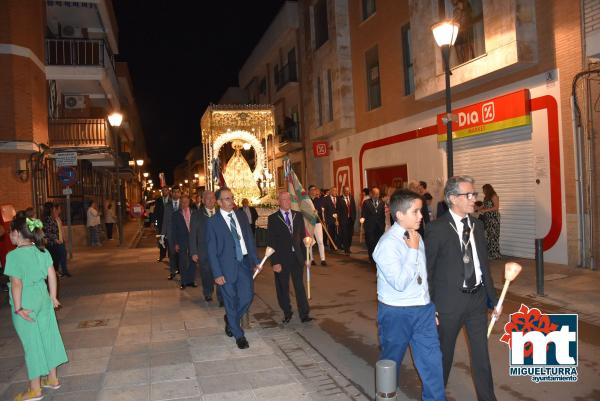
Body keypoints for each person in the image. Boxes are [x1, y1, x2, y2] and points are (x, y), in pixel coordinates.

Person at [425, 175, 500, 401]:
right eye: (468, 195)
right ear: (452, 198)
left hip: (476, 300)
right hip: (448, 303)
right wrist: (430, 305)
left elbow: (483, 265)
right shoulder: (436, 229)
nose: (473, 198)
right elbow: (427, 270)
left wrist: (492, 300)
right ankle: (435, 397)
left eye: (474, 194)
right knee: (444, 356)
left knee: (481, 357)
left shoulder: (476, 225)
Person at [374, 190, 444, 401]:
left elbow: (423, 277)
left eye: (420, 211)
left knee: (432, 362)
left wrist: (430, 307)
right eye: (415, 211)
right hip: (396, 312)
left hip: (422, 311)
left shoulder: (416, 236)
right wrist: (412, 251)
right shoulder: (387, 244)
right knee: (391, 363)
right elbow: (400, 283)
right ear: (399, 215)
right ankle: (385, 397)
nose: (421, 215)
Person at [4, 212, 68, 400]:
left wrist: (18, 308)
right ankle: (53, 378)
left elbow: (17, 284)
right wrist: (53, 297)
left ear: (16, 233)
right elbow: (52, 275)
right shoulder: (42, 251)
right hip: (43, 298)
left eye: (10, 232)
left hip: (26, 302)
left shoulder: (13, 256)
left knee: (32, 344)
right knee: (49, 337)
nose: (9, 236)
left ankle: (35, 389)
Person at [206, 188, 260, 349]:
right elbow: (211, 250)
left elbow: (249, 239)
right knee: (230, 301)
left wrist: (255, 259)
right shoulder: (212, 222)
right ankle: (239, 335)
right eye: (227, 199)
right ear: (219, 202)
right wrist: (217, 273)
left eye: (231, 198)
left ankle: (230, 320)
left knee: (247, 296)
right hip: (225, 268)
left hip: (243, 264)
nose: (231, 201)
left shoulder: (241, 216)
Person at [267, 191, 313, 324]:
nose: (287, 201)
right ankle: (287, 312)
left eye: (288, 199)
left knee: (299, 286)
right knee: (283, 287)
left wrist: (306, 257)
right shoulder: (273, 218)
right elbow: (271, 241)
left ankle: (304, 314)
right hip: (281, 259)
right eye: (284, 199)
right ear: (279, 201)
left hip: (297, 257)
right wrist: (275, 262)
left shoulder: (297, 215)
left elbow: (304, 237)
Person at [190, 190, 222, 305]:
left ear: (216, 200)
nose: (210, 200)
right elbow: (193, 234)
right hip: (204, 251)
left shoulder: (221, 213)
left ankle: (221, 296)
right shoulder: (197, 215)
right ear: (203, 200)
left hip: (220, 251)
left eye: (212, 198)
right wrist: (194, 252)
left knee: (221, 273)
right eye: (207, 198)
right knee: (207, 274)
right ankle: (208, 292)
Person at [172, 195, 196, 290]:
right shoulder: (176, 214)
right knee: (182, 261)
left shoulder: (194, 212)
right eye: (182, 202)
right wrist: (175, 243)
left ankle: (191, 280)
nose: (184, 204)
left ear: (189, 202)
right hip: (181, 240)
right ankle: (183, 281)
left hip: (193, 240)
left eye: (186, 202)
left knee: (192, 260)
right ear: (180, 203)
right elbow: (173, 230)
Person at [43, 203, 71, 278]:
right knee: (56, 257)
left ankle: (60, 272)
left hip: (58, 241)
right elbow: (48, 232)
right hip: (53, 242)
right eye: (53, 208)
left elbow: (58, 229)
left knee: (59, 256)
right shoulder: (48, 219)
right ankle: (58, 272)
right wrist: (55, 239)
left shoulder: (54, 218)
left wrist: (62, 238)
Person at [362, 187, 385, 264]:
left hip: (380, 227)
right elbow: (363, 214)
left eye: (378, 194)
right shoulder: (366, 202)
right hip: (370, 227)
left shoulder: (382, 202)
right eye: (375, 194)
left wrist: (383, 225)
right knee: (370, 242)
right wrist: (362, 222)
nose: (377, 195)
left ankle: (377, 257)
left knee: (378, 242)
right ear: (371, 194)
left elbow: (383, 215)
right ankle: (371, 257)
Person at [162, 187, 181, 280]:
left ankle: (182, 271)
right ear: (171, 193)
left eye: (178, 192)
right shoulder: (167, 205)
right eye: (174, 192)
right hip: (171, 234)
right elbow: (165, 220)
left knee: (182, 254)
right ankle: (172, 272)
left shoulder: (184, 204)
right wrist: (162, 234)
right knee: (172, 254)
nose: (176, 194)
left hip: (182, 234)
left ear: (180, 193)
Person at [478, 184, 501, 260]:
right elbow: (482, 206)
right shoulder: (486, 197)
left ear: (488, 189)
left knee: (494, 236)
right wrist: (477, 208)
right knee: (489, 236)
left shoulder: (494, 196)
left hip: (494, 219)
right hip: (488, 219)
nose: (483, 192)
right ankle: (490, 254)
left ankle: (495, 254)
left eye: (484, 190)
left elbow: (496, 207)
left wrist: (485, 210)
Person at [308, 185, 326, 266]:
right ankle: (311, 259)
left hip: (318, 222)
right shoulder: (306, 201)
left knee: (320, 241)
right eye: (312, 189)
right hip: (309, 223)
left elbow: (322, 210)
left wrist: (317, 211)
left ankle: (323, 259)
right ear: (309, 191)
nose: (314, 191)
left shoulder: (319, 200)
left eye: (315, 189)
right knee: (310, 242)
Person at [152, 186, 171, 262]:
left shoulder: (171, 200)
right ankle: (162, 255)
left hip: (170, 224)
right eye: (163, 191)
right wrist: (153, 221)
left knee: (170, 240)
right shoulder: (159, 200)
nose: (164, 192)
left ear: (168, 191)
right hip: (161, 223)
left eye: (166, 190)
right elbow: (155, 211)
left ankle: (171, 256)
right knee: (162, 240)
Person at [337, 186, 357, 254]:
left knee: (350, 234)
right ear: (343, 191)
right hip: (343, 220)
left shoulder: (351, 197)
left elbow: (354, 208)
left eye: (348, 191)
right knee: (345, 234)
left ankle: (348, 247)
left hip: (351, 219)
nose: (347, 192)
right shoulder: (339, 199)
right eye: (346, 191)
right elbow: (338, 210)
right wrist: (339, 220)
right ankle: (346, 249)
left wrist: (354, 218)